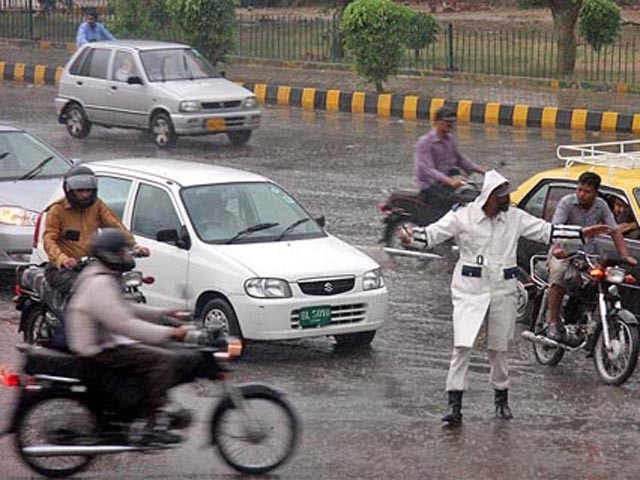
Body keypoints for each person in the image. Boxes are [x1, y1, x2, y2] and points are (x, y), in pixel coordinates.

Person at [409, 170, 610, 427]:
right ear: (490, 196)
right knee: (462, 346)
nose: (509, 198)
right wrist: (410, 236)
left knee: (499, 349)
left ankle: (501, 400)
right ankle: (454, 404)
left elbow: (546, 231)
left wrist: (582, 233)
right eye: (504, 195)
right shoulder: (463, 216)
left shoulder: (514, 218)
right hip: (470, 290)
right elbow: (431, 235)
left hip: (502, 290)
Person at [66, 229, 191, 445]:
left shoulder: (102, 275)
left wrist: (164, 313)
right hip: (99, 349)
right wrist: (170, 333)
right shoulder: (100, 284)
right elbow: (126, 325)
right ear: (111, 255)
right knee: (162, 360)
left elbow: (124, 308)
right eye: (124, 252)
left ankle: (148, 408)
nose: (128, 256)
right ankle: (151, 426)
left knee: (157, 351)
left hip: (105, 340)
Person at [546, 172, 637, 343]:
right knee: (558, 275)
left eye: (586, 192)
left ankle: (588, 320)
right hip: (564, 252)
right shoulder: (566, 203)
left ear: (595, 192)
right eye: (579, 190)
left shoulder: (601, 206)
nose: (581, 194)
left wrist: (625, 255)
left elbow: (615, 231)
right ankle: (553, 321)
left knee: (601, 280)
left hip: (588, 255)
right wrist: (557, 248)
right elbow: (555, 229)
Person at [43, 165, 150, 297]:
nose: (85, 195)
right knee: (81, 292)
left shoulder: (97, 205)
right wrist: (62, 259)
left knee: (114, 285)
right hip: (63, 269)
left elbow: (115, 225)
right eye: (80, 191)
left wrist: (135, 246)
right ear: (69, 190)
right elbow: (49, 239)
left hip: (90, 264)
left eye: (89, 191)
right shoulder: (57, 210)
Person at [414, 105, 485, 220]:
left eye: (452, 122)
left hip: (445, 184)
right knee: (451, 208)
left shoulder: (450, 139)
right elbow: (428, 169)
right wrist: (450, 181)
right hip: (430, 186)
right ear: (436, 122)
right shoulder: (425, 142)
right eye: (446, 121)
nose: (450, 124)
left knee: (471, 195)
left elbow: (460, 159)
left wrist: (482, 171)